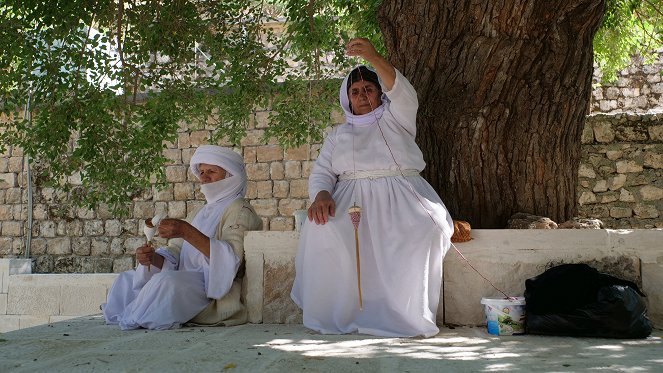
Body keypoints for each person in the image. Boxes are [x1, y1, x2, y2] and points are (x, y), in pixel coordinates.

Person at [290, 38, 454, 338]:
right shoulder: (338, 135)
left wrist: (373, 56)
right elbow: (322, 173)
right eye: (355, 92)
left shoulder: (397, 117)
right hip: (350, 202)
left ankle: (403, 316)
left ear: (380, 94)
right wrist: (322, 194)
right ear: (347, 99)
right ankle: (343, 313)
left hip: (403, 196)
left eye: (369, 89)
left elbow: (402, 92)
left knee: (424, 229)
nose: (363, 95)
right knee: (321, 229)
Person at [102, 145, 262, 330]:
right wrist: (153, 258)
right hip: (184, 278)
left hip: (210, 288)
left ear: (231, 176)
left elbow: (231, 258)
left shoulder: (240, 209)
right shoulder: (200, 212)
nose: (204, 177)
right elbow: (176, 250)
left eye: (212, 171)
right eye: (201, 172)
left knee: (167, 282)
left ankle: (138, 315)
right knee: (126, 279)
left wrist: (186, 231)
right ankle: (131, 314)